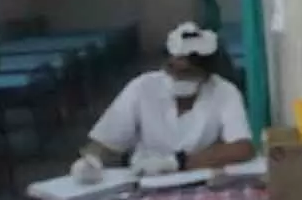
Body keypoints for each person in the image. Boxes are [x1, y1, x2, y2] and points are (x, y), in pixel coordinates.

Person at [70, 22, 256, 184]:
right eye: (173, 70)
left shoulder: (224, 91)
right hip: (145, 180)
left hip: (202, 180)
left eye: (188, 73)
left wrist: (176, 163)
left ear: (207, 74)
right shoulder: (142, 87)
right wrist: (90, 161)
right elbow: (105, 141)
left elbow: (243, 148)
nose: (179, 78)